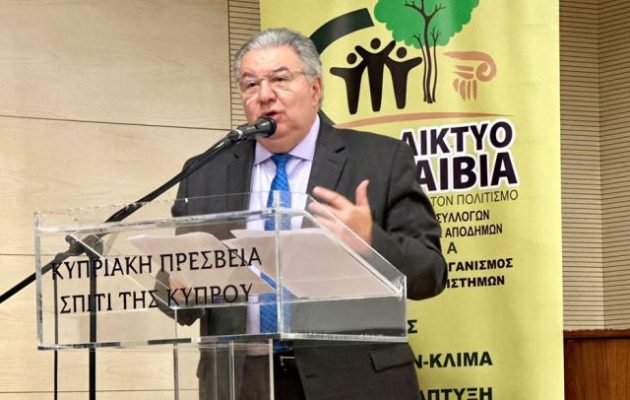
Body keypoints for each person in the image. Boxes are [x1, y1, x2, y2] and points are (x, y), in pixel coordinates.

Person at [169, 28, 447, 400]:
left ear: (315, 88)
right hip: (241, 382)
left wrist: (369, 242)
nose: (264, 95)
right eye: (250, 84)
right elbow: (180, 291)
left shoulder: (381, 160)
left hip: (354, 383)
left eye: (280, 80)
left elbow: (430, 274)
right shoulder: (206, 172)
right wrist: (179, 289)